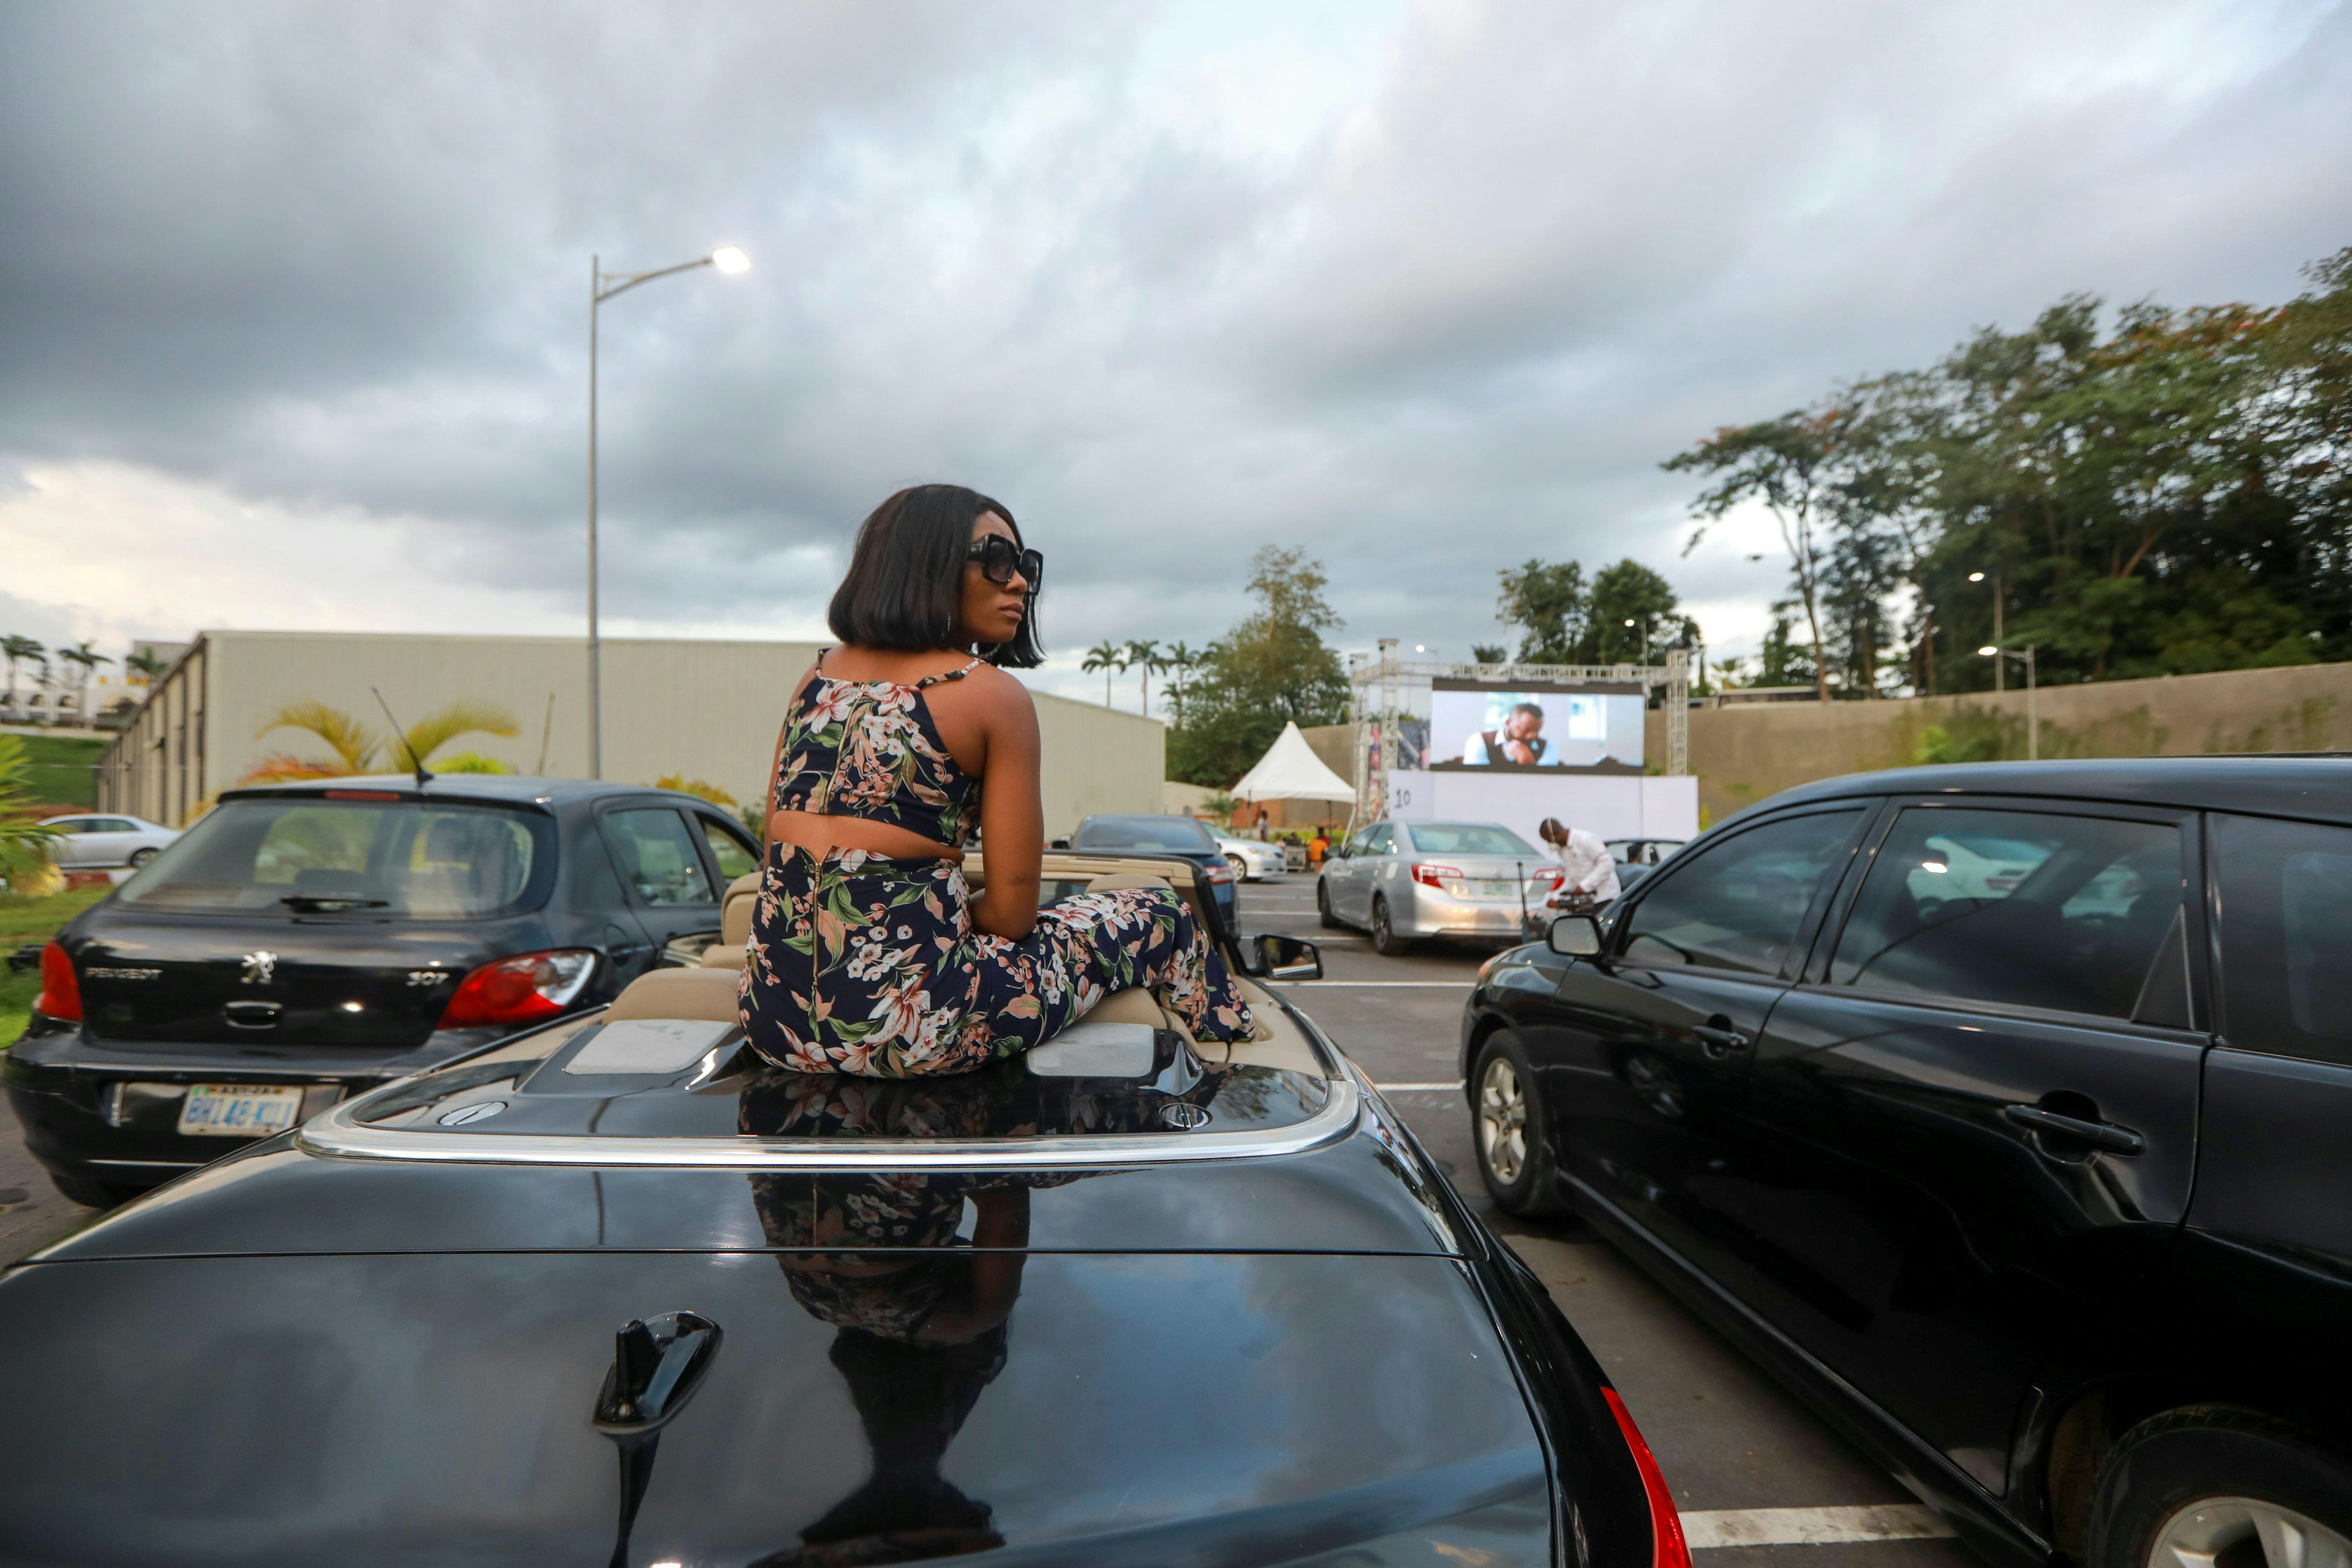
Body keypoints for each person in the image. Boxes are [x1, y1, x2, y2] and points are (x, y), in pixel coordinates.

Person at [740, 484, 1257, 1076]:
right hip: (915, 1030)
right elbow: (1014, 915)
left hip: (772, 1021)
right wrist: (923, 913)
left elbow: (776, 858)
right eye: (998, 560)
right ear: (924, 563)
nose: (1020, 583)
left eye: (1025, 566)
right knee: (1161, 913)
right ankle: (1235, 1059)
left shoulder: (813, 680)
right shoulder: (989, 694)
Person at [1539, 817, 1619, 906]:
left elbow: (1607, 864)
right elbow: (1572, 876)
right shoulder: (1562, 850)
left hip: (1606, 898)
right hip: (1586, 901)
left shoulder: (1585, 839)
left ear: (1555, 835)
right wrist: (1557, 897)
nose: (1549, 844)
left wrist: (1585, 886)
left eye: (1549, 841)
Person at [1464, 702, 1552, 766]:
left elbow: (1547, 785)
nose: (1532, 736)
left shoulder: (1548, 747)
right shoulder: (1479, 741)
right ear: (1509, 723)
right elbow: (1477, 780)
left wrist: (1528, 762)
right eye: (1527, 730)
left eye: (1537, 731)